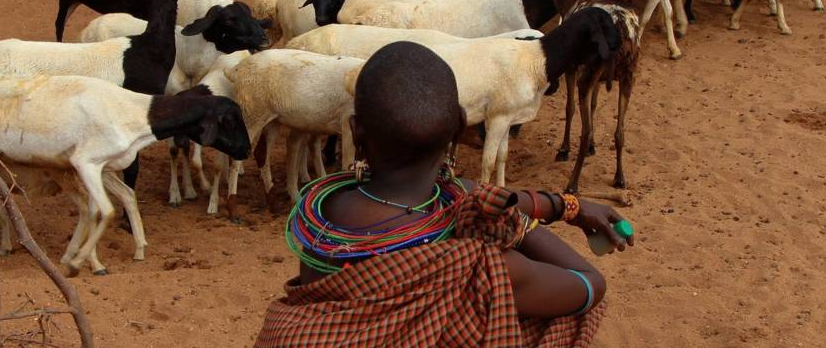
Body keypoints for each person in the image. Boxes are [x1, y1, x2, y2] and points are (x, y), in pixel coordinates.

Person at [256, 42, 634, 347]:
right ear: (458, 130)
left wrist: (543, 205)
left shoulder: (323, 223)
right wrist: (548, 213)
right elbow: (589, 285)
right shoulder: (484, 268)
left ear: (355, 132)